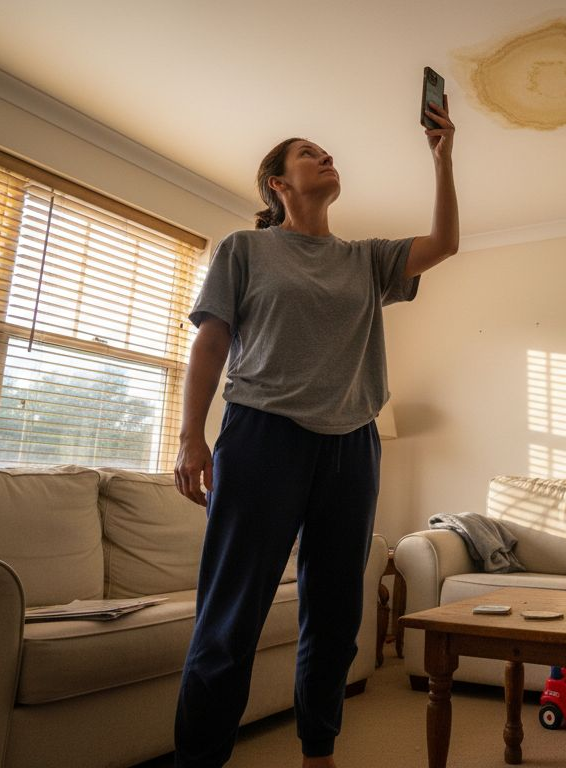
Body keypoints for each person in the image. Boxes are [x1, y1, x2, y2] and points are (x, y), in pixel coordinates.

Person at [172, 96, 457, 768]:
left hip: (352, 445)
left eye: (327, 154)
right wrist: (191, 435)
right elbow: (211, 343)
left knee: (335, 618)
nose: (326, 158)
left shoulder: (365, 259)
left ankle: (318, 755)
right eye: (310, 153)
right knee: (231, 618)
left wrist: (442, 160)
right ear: (279, 183)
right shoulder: (245, 249)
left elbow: (443, 244)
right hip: (262, 438)